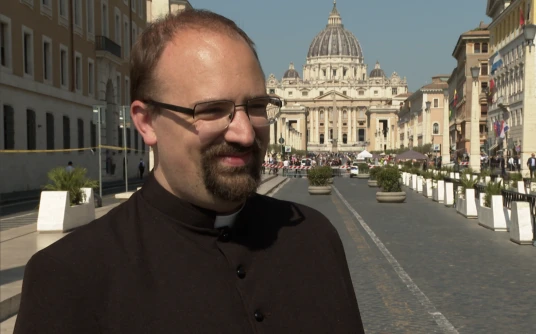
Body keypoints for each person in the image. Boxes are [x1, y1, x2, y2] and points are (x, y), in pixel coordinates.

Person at [14, 9, 364, 334]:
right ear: (146, 121)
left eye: (256, 106)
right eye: (212, 109)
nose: (244, 132)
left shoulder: (317, 238)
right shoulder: (67, 276)